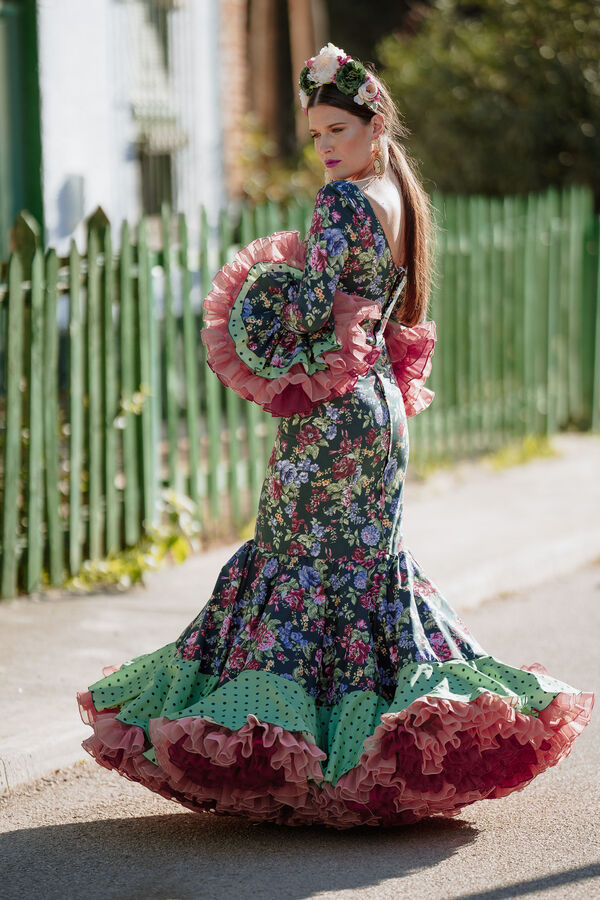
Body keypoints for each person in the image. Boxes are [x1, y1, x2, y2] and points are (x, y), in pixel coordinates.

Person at [77, 44, 593, 829]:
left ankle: (301, 754)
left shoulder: (344, 203)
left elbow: (314, 313)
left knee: (293, 563)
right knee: (361, 574)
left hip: (333, 414)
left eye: (337, 130)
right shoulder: (397, 196)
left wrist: (253, 308)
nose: (323, 147)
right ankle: (355, 749)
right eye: (316, 133)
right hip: (379, 406)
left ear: (375, 124)